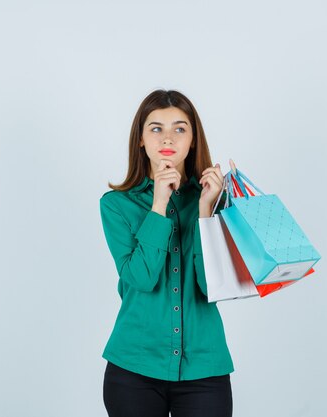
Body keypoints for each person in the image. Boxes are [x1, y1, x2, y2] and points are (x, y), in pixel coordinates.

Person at [99, 89, 234, 417]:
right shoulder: (117, 205)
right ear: (141, 140)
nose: (168, 137)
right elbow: (141, 278)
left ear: (193, 139)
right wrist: (158, 205)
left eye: (180, 128)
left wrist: (205, 211)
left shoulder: (217, 200)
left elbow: (211, 286)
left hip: (205, 368)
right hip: (133, 369)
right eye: (156, 128)